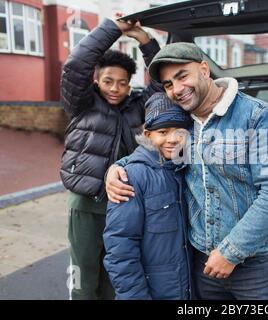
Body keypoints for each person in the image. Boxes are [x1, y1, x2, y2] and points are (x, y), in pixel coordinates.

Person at [106, 42, 268, 299]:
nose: (177, 89)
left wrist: (231, 251)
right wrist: (120, 166)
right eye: (169, 84)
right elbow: (157, 150)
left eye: (182, 76)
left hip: (253, 266)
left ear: (204, 70)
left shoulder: (257, 116)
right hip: (201, 264)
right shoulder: (183, 122)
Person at [60, 15, 161, 299]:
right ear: (97, 79)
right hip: (86, 204)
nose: (115, 88)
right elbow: (75, 65)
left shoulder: (136, 108)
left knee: (114, 275)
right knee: (83, 278)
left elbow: (162, 83)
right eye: (108, 81)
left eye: (122, 83)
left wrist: (144, 39)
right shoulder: (82, 103)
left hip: (122, 205)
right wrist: (112, 30)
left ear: (130, 85)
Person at [103, 93, 193, 299]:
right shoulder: (132, 176)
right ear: (148, 134)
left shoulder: (186, 168)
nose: (173, 139)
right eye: (163, 131)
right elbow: (120, 248)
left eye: (180, 131)